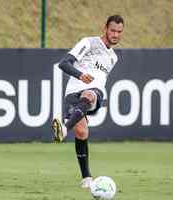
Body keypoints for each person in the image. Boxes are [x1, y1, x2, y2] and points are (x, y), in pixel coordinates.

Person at [51, 15, 124, 189]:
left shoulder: (113, 57)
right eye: (112, 30)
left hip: (94, 94)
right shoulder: (89, 42)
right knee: (82, 132)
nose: (115, 34)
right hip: (73, 94)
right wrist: (80, 75)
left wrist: (90, 85)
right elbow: (64, 64)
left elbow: (98, 81)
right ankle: (86, 178)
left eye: (119, 32)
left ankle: (63, 129)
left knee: (91, 94)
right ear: (105, 28)